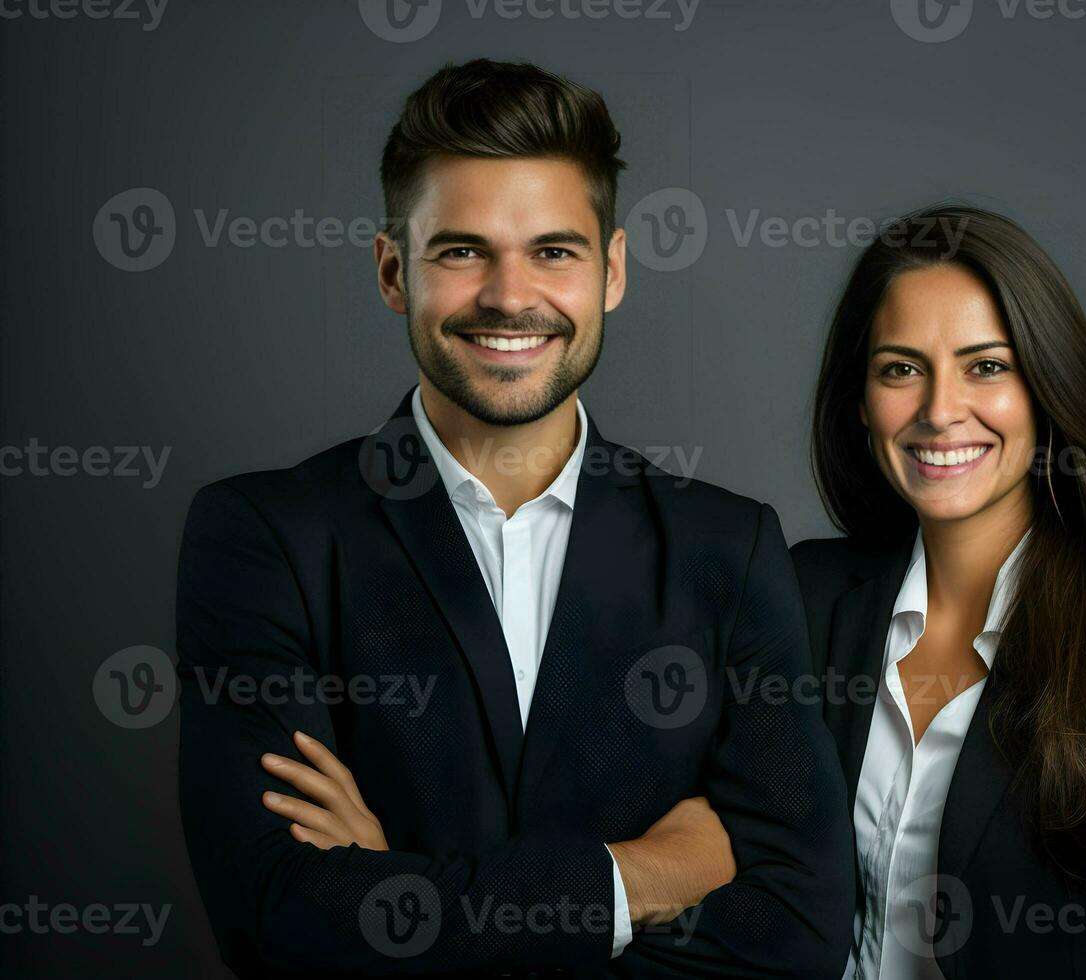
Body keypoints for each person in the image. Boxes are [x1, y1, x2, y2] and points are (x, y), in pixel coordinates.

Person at [175, 60, 853, 978]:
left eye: (554, 251)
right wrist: (635, 880)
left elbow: (799, 934)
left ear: (610, 271)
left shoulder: (726, 550)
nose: (508, 296)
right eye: (461, 251)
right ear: (391, 271)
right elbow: (281, 919)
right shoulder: (264, 537)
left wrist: (399, 890)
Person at [792, 205, 1086, 978]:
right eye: (901, 368)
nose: (940, 411)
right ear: (861, 400)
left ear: (1047, 388)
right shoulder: (804, 597)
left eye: (987, 366)